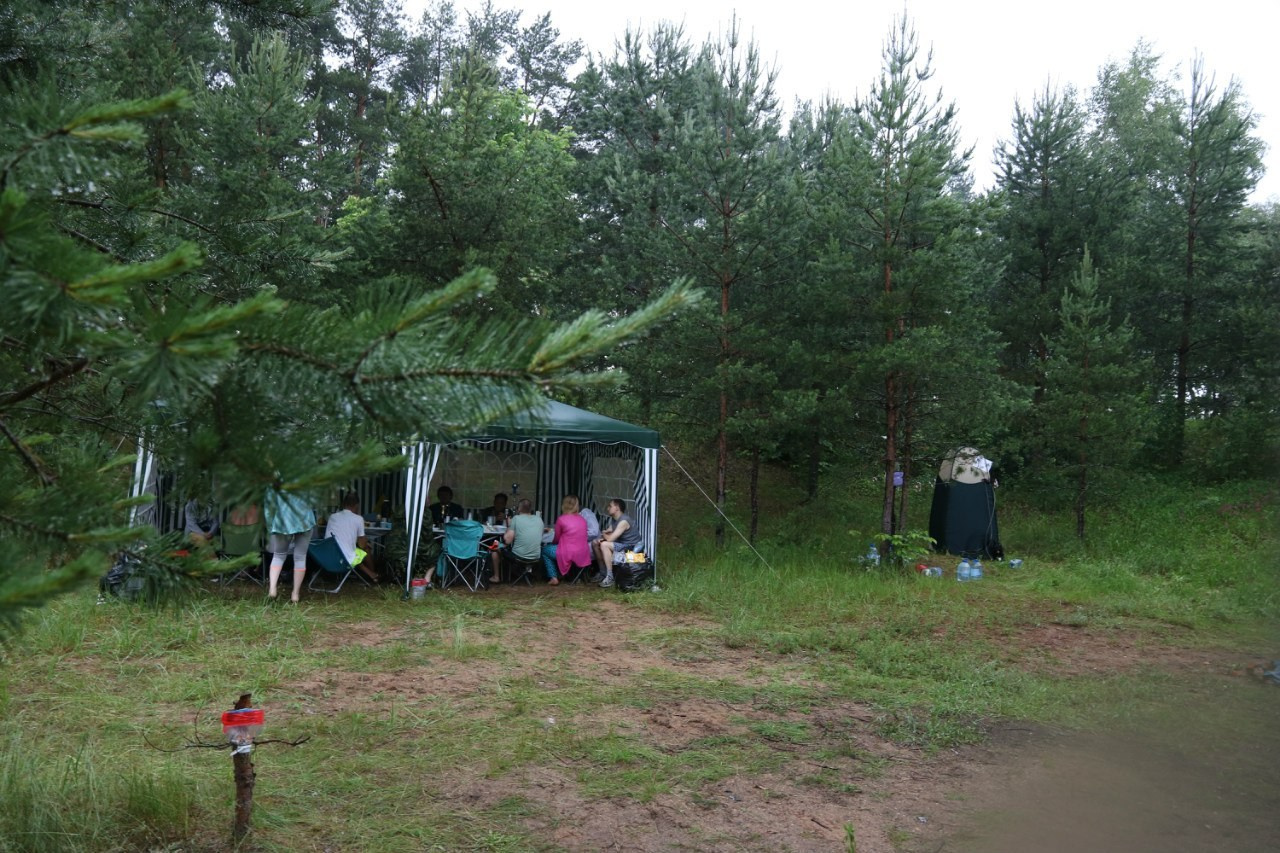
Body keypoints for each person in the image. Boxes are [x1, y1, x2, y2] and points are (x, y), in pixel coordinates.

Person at [264, 487, 315, 602]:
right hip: (304, 520)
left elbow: (269, 505)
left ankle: (272, 589)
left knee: (278, 555)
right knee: (300, 557)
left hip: (282, 521)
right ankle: (295, 594)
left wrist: (270, 526)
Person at [324, 492, 378, 582]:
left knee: (349, 550)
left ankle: (371, 574)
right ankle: (373, 574)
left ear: (343, 504)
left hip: (328, 557)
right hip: (345, 559)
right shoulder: (358, 519)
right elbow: (362, 545)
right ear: (356, 505)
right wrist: (365, 543)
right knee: (366, 548)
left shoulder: (332, 517)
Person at [541, 495, 593, 585]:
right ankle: (568, 575)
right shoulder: (582, 519)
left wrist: (552, 544)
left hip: (568, 553)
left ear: (564, 505)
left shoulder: (561, 519)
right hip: (583, 553)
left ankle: (553, 577)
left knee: (545, 550)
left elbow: (557, 539)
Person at [489, 498, 543, 583]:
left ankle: (496, 576)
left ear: (519, 509)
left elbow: (507, 541)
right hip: (536, 557)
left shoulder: (516, 519)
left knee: (495, 546)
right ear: (530, 509)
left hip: (518, 556)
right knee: (503, 547)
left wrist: (510, 525)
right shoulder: (539, 519)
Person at [593, 498, 643, 588]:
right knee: (595, 543)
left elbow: (610, 538)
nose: (607, 508)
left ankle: (610, 577)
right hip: (621, 544)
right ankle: (603, 572)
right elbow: (609, 533)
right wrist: (604, 536)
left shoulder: (623, 521)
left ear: (617, 508)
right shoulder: (615, 519)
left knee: (604, 545)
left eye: (610, 506)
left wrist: (604, 535)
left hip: (630, 547)